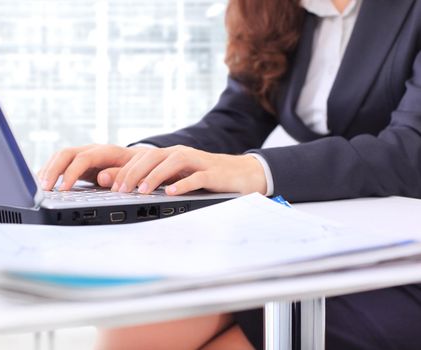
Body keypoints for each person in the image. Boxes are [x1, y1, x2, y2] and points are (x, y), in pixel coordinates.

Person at [38, 0, 421, 348]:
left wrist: (253, 169)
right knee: (139, 325)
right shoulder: (272, 8)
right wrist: (142, 158)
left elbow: (410, 148)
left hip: (402, 261)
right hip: (326, 240)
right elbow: (237, 118)